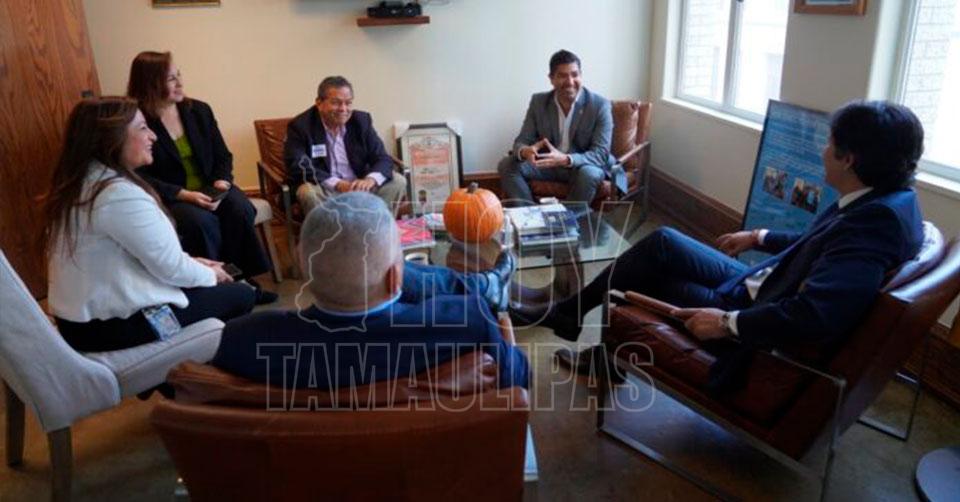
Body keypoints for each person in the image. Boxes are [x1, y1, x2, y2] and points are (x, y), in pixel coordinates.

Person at [513, 100, 925, 388]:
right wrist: (759, 236)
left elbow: (816, 315)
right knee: (662, 242)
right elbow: (818, 243)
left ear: (849, 158)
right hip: (763, 282)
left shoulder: (873, 225)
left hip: (753, 309)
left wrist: (728, 323)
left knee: (640, 277)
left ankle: (582, 331)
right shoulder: (887, 201)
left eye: (830, 144)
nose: (823, 151)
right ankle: (571, 314)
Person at [212, 192, 528, 390]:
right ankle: (486, 285)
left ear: (305, 271)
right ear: (396, 278)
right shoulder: (466, 319)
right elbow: (518, 379)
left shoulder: (244, 338)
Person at [43, 97, 256, 352]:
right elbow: (172, 270)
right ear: (113, 139)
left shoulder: (84, 183)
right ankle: (200, 368)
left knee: (210, 281)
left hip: (80, 324)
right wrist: (213, 275)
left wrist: (195, 263)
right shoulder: (118, 195)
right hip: (112, 328)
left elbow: (140, 255)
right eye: (143, 127)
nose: (153, 136)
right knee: (240, 294)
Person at [126, 51, 276, 304]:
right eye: (171, 79)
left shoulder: (198, 110)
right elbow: (138, 175)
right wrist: (183, 194)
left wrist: (222, 182)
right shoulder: (137, 120)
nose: (180, 83)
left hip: (212, 186)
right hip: (173, 195)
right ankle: (212, 285)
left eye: (179, 75)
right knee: (199, 223)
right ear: (151, 83)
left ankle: (242, 280)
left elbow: (223, 155)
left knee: (240, 209)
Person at [497, 50, 623, 206]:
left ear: (581, 75)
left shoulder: (599, 105)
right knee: (507, 165)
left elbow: (600, 153)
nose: (570, 81)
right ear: (551, 78)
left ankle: (570, 219)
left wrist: (567, 159)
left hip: (581, 166)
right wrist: (525, 151)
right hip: (548, 165)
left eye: (575, 74)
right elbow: (522, 139)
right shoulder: (539, 102)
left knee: (589, 173)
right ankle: (529, 214)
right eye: (563, 76)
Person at [284, 76, 407, 216]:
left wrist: (370, 179)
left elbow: (382, 157)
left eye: (348, 103)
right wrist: (338, 184)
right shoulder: (300, 126)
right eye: (336, 103)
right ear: (319, 103)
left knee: (398, 181)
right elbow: (297, 165)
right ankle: (328, 230)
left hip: (358, 185)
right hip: (326, 188)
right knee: (307, 192)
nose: (343, 109)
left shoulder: (361, 121)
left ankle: (375, 225)